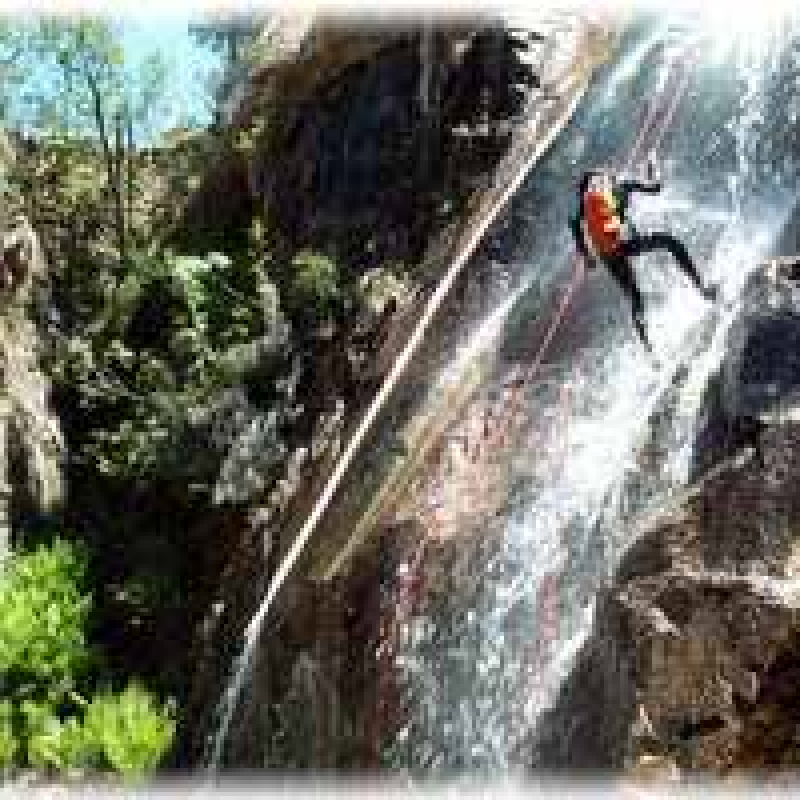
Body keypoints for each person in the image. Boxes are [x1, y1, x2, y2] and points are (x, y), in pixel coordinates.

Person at [569, 154, 717, 352]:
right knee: (666, 248)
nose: (604, 182)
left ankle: (649, 346)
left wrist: (652, 169)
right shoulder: (598, 197)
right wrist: (585, 253)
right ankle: (701, 291)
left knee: (638, 292)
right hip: (616, 248)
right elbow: (575, 223)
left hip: (615, 250)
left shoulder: (620, 187)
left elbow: (655, 187)